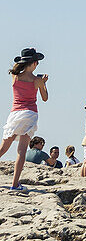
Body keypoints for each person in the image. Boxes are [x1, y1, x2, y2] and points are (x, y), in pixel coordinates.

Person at [0, 48, 48, 192]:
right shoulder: (36, 80)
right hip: (29, 114)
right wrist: (43, 83)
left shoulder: (15, 76)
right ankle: (15, 184)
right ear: (34, 63)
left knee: (3, 148)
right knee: (21, 151)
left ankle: (14, 184)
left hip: (15, 114)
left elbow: (16, 73)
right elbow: (45, 98)